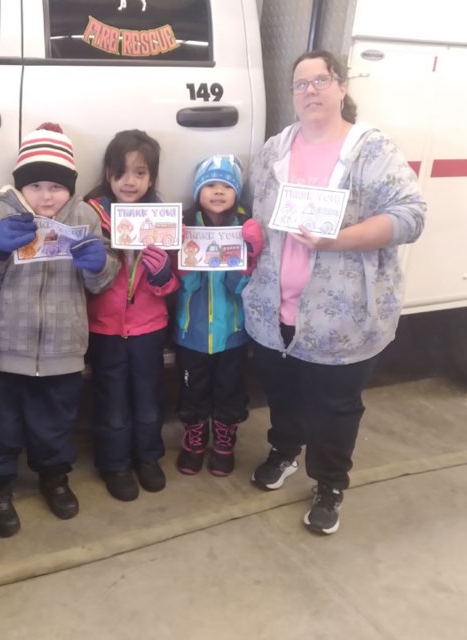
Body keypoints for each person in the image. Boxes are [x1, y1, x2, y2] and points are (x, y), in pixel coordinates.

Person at [242, 50, 426, 535]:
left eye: (320, 80)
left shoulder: (370, 150)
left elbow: (411, 216)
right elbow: (257, 215)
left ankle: (329, 483)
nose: (310, 92)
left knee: (335, 404)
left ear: (342, 86)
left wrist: (338, 239)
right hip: (272, 308)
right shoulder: (276, 149)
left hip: (341, 316)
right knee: (282, 391)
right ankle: (284, 450)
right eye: (300, 85)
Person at [0, 122, 120, 537]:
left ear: (70, 188)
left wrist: (98, 264)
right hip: (4, 345)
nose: (46, 196)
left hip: (63, 348)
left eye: (56, 186)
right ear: (20, 187)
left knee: (55, 422)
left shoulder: (85, 216)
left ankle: (54, 477)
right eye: (35, 187)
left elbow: (102, 280)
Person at [82, 130, 179, 502]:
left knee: (148, 396)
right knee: (112, 400)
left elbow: (174, 281)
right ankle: (115, 463)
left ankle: (148, 457)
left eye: (140, 173)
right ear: (108, 174)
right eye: (121, 172)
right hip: (104, 328)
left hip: (148, 327)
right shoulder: (92, 215)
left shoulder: (162, 219)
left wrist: (161, 277)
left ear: (151, 177)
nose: (130, 181)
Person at [171, 154, 264, 478]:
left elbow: (242, 288)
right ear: (197, 190)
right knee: (192, 389)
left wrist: (248, 260)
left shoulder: (244, 226)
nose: (218, 191)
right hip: (191, 332)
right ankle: (195, 439)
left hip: (232, 333)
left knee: (230, 389)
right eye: (210, 184)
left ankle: (224, 441)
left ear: (237, 192)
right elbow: (184, 285)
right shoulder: (186, 225)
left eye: (226, 185)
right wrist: (184, 262)